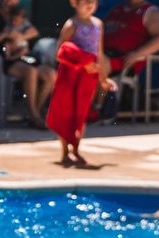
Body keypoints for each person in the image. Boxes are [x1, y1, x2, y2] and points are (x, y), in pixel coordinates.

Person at [48, 0, 114, 168]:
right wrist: (82, 62)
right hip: (70, 74)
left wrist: (103, 78)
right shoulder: (71, 25)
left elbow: (99, 53)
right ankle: (65, 152)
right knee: (66, 113)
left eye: (93, 1)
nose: (90, 4)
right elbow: (60, 52)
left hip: (88, 76)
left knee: (81, 113)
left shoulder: (98, 24)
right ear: (74, 3)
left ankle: (76, 150)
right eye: (85, 1)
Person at [0, 0, 54, 128]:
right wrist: (5, 34)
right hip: (4, 60)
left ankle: (34, 112)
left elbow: (33, 32)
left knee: (51, 74)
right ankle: (35, 116)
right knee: (31, 72)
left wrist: (19, 37)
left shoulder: (19, 14)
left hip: (23, 58)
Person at [102, 0, 159, 78]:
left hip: (124, 59)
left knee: (97, 62)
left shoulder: (150, 12)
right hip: (103, 53)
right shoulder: (116, 9)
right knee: (91, 59)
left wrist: (137, 53)